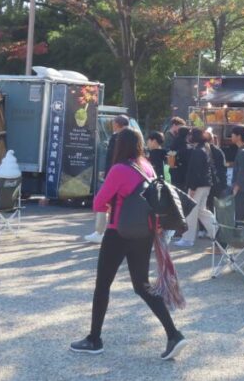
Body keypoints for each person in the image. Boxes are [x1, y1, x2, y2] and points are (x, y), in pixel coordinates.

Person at [70, 127, 187, 361]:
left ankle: (94, 339)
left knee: (103, 285)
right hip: (144, 232)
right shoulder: (147, 167)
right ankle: (174, 334)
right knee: (142, 285)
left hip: (118, 232)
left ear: (118, 146)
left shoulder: (119, 169)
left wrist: (111, 205)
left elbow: (99, 202)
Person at [86, 115, 130, 245]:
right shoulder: (135, 136)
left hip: (114, 173)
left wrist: (107, 174)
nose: (112, 126)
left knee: (104, 200)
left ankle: (100, 232)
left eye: (113, 123)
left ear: (117, 124)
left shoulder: (116, 137)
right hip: (129, 175)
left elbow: (111, 157)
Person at [177, 128, 218, 248]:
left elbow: (195, 171)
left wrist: (192, 188)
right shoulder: (205, 148)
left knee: (191, 211)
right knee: (201, 211)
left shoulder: (198, 151)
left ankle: (187, 239)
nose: (188, 137)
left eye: (190, 134)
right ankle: (218, 232)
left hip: (198, 185)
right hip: (205, 185)